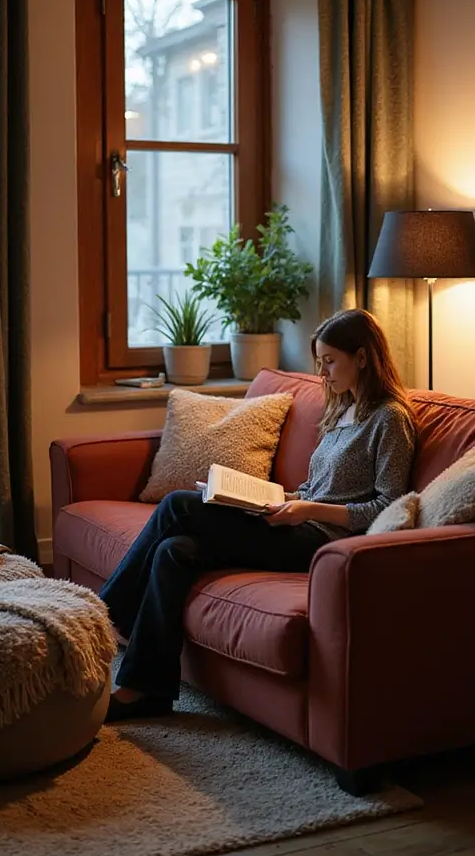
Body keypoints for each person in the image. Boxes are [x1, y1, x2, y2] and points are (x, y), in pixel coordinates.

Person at [100, 308, 416, 722]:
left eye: (330, 361)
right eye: (318, 362)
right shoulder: (342, 410)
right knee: (174, 551)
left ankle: (103, 615)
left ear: (362, 357)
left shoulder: (390, 419)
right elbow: (313, 486)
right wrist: (277, 497)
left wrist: (305, 509)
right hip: (297, 520)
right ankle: (146, 689)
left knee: (177, 505)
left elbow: (385, 506)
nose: (322, 372)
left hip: (323, 541)